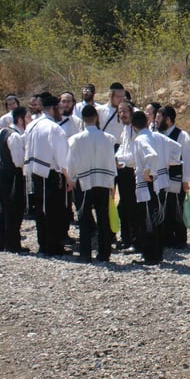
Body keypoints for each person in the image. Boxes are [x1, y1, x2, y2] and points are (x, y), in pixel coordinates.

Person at [65, 104, 117, 263]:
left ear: (82, 120)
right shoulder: (109, 138)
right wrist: (111, 184)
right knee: (103, 217)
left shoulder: (75, 139)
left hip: (84, 181)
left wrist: (71, 179)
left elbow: (71, 162)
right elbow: (111, 162)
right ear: (96, 118)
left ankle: (85, 253)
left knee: (84, 217)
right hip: (103, 181)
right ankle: (104, 253)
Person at [24, 94, 71, 257]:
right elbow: (61, 156)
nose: (61, 112)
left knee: (41, 209)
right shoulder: (53, 128)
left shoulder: (32, 125)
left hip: (35, 172)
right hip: (50, 173)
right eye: (59, 108)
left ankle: (43, 243)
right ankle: (52, 245)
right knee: (52, 210)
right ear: (52, 108)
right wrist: (68, 175)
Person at [128, 109, 164, 265]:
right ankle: (156, 252)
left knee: (147, 219)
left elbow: (152, 155)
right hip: (155, 183)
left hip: (146, 184)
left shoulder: (141, 139)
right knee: (154, 218)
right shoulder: (152, 136)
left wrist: (147, 171)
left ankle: (150, 255)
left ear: (132, 124)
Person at [155, 105, 190, 248]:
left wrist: (185, 180)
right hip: (161, 179)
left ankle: (179, 239)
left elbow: (188, 160)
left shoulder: (182, 136)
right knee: (165, 209)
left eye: (159, 118)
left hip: (176, 179)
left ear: (168, 120)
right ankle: (166, 238)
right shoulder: (158, 135)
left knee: (176, 208)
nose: (156, 121)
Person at [0, 107, 30, 254]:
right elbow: (18, 161)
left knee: (3, 208)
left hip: (3, 172)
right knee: (14, 209)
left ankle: (1, 242)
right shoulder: (14, 136)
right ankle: (12, 244)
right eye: (28, 118)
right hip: (13, 175)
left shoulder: (2, 132)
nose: (30, 120)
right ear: (20, 120)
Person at [114, 100, 139, 252]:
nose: (122, 114)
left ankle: (135, 240)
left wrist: (121, 159)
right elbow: (122, 148)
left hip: (132, 172)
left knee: (132, 208)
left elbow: (135, 154)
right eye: (120, 111)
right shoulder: (124, 130)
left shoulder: (135, 130)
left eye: (125, 111)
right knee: (123, 206)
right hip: (123, 171)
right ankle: (126, 238)